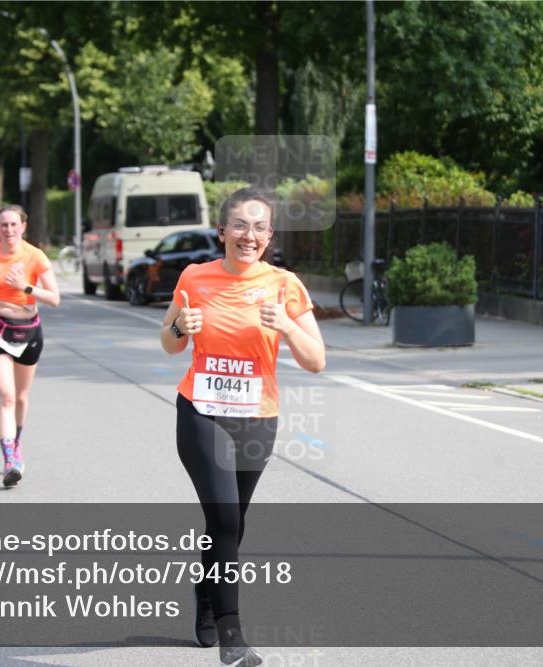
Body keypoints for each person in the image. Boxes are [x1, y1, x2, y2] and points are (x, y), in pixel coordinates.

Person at [159, 188, 325, 666]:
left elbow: (316, 361)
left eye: (258, 227)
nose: (247, 235)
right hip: (201, 411)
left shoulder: (284, 284)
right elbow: (169, 343)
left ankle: (206, 593)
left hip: (256, 418)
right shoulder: (195, 276)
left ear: (269, 236)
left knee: (230, 525)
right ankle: (233, 637)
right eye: (239, 225)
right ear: (222, 231)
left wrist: (289, 328)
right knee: (226, 519)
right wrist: (179, 329)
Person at [0, 205, 60, 487]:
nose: (8, 230)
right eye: (3, 225)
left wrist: (26, 287)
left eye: (13, 224)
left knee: (21, 398)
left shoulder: (35, 256)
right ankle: (10, 459)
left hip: (29, 332)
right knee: (6, 396)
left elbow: (54, 298)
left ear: (23, 226)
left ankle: (16, 441)